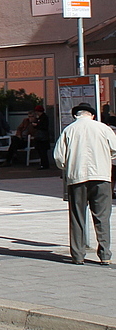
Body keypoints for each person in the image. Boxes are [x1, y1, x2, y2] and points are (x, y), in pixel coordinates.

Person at [53, 103, 116, 265]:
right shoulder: (103, 128)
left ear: (76, 115)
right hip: (101, 176)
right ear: (92, 115)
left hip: (77, 177)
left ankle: (78, 255)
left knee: (77, 216)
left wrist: (67, 167)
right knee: (102, 217)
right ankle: (105, 255)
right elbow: (114, 149)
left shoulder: (69, 130)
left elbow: (59, 156)